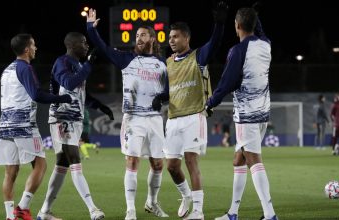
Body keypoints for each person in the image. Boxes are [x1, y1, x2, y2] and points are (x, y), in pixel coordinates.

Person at [86, 8, 169, 220]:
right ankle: (130, 209)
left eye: (142, 34)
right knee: (132, 162)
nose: (138, 38)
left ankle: (152, 202)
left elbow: (168, 91)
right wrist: (91, 28)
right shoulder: (126, 59)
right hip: (133, 118)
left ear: (152, 38)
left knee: (158, 164)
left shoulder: (162, 63)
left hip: (155, 119)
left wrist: (164, 97)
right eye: (136, 36)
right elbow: (103, 48)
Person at [151, 2, 228, 219]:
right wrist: (159, 98)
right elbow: (168, 91)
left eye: (175, 36)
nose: (171, 40)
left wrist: (219, 24)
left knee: (191, 161)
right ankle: (186, 196)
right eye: (169, 37)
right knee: (172, 167)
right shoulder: (168, 62)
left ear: (186, 38)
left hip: (194, 115)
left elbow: (215, 43)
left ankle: (198, 211)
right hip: (173, 118)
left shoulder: (198, 56)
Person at [205, 6, 279, 220]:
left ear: (236, 26)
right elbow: (261, 32)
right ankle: (233, 213)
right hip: (263, 110)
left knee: (254, 159)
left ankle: (270, 214)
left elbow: (227, 82)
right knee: (239, 159)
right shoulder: (266, 45)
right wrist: (257, 16)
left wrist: (211, 102)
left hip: (247, 114)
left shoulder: (238, 51)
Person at [37, 32, 113, 220]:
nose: (86, 46)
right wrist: (89, 64)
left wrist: (101, 106)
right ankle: (93, 209)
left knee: (62, 164)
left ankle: (44, 211)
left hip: (75, 119)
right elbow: (69, 83)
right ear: (72, 45)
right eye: (83, 43)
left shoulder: (78, 65)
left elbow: (80, 94)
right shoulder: (62, 62)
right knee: (74, 158)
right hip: (62, 116)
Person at [0, 33, 72, 220]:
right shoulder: (25, 68)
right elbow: (37, 95)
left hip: (5, 125)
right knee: (41, 164)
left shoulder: (6, 70)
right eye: (34, 45)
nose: (36, 48)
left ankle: (9, 216)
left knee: (10, 172)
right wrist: (63, 98)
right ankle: (23, 207)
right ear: (26, 49)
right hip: (24, 125)